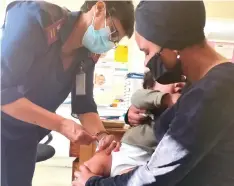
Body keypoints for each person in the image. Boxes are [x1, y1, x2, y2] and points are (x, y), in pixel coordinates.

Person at [74, 1, 234, 186]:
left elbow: (155, 177)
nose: (146, 62)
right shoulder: (205, 86)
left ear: (172, 42)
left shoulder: (213, 91)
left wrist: (92, 183)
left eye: (147, 52)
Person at [1, 1, 134, 186]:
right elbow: (2, 90)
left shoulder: (86, 57)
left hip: (26, 136)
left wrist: (102, 136)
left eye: (115, 40)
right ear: (99, 8)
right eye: (112, 32)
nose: (109, 43)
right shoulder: (36, 19)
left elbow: (84, 103)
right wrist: (62, 125)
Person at [73, 71, 185, 179]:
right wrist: (167, 99)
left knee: (129, 179)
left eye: (184, 80)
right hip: (119, 152)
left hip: (142, 163)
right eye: (169, 79)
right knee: (88, 168)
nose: (179, 83)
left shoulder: (184, 113)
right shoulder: (148, 106)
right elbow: (137, 97)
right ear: (150, 89)